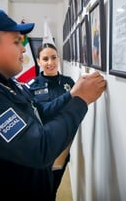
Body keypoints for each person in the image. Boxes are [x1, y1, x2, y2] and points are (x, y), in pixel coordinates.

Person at [0, 8, 106, 200]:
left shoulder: (2, 82)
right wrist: (81, 101)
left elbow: (38, 111)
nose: (23, 49)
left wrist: (72, 95)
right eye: (17, 41)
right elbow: (40, 148)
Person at [26, 43, 75, 200]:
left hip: (63, 145)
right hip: (42, 145)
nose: (50, 63)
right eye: (45, 59)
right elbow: (40, 112)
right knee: (40, 189)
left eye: (53, 57)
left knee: (53, 187)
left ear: (58, 58)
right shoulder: (31, 87)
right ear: (39, 61)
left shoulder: (69, 83)